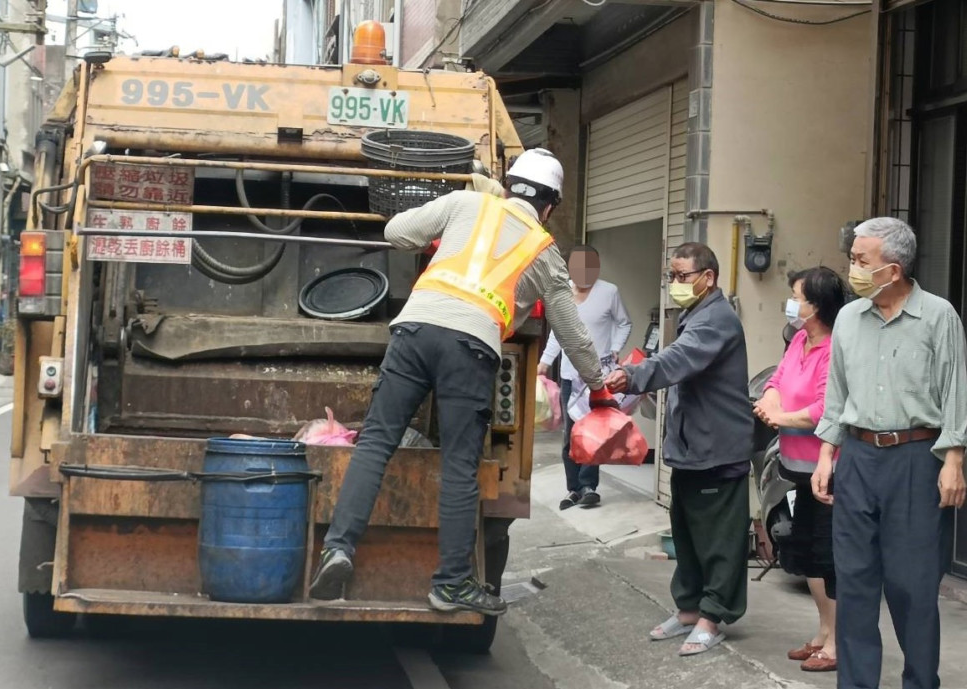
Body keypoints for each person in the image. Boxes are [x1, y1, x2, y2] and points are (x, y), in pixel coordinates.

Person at [309, 149, 616, 615]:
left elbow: (396, 232)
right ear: (550, 206)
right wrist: (597, 387)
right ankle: (451, 584)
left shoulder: (465, 203)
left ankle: (337, 548)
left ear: (508, 187)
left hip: (413, 330)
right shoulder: (545, 252)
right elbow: (573, 334)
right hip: (470, 348)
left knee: (375, 443)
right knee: (458, 464)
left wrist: (443, 234)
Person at [812, 218, 967, 689]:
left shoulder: (937, 316)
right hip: (858, 457)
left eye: (861, 261)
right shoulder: (848, 319)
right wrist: (825, 454)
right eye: (852, 258)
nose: (852, 268)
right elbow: (837, 393)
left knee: (912, 580)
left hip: (916, 458)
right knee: (855, 575)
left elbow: (955, 391)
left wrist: (954, 459)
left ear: (893, 269)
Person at [607, 242, 752, 656]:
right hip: (691, 448)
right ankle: (689, 609)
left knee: (718, 539)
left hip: (717, 449)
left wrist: (633, 376)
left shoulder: (716, 320)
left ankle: (712, 616)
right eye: (671, 276)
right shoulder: (693, 315)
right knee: (686, 533)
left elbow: (678, 360)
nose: (675, 284)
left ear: (708, 277)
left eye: (682, 276)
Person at [753, 266, 847, 673]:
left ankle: (838, 644)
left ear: (818, 305)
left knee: (830, 557)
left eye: (797, 298)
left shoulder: (835, 349)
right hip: (796, 467)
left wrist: (781, 418)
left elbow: (826, 409)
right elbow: (776, 380)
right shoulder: (799, 341)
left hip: (830, 470)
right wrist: (770, 402)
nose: (791, 305)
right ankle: (823, 633)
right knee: (807, 552)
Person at [538, 245, 632, 510]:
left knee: (594, 432)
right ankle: (573, 488)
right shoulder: (562, 292)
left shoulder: (609, 292)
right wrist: (544, 362)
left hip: (599, 378)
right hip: (570, 376)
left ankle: (589, 486)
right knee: (571, 434)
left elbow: (624, 322)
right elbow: (557, 332)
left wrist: (616, 347)